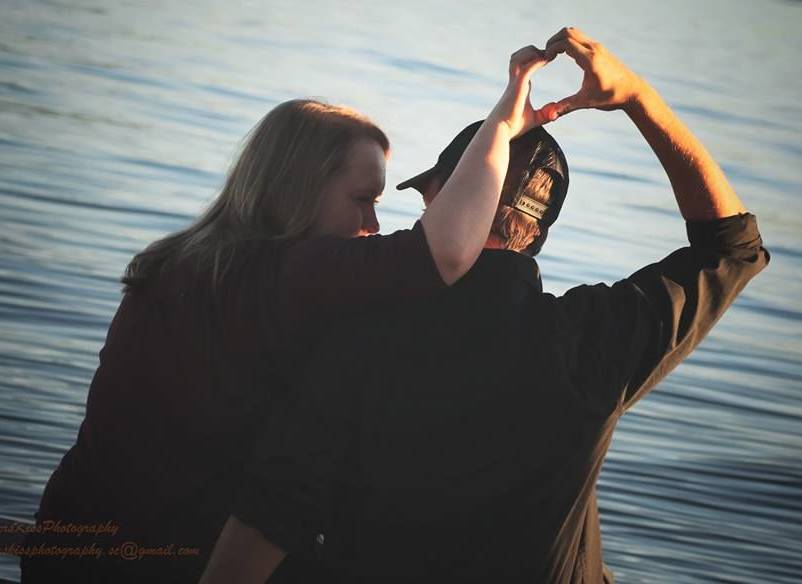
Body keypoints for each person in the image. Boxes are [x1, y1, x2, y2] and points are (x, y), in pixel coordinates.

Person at [199, 27, 770, 584]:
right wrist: (639, 99)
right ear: (541, 233)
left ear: (443, 201)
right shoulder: (595, 341)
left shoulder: (353, 336)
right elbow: (734, 246)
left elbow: (269, 518)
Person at [19, 44, 561, 583]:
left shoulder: (182, 261)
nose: (373, 223)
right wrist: (504, 120)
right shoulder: (284, 275)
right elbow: (443, 251)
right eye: (361, 200)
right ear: (300, 190)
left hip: (66, 539)